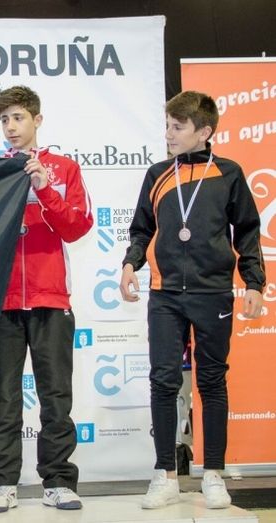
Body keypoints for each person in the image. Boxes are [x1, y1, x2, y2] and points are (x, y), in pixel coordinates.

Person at [119, 91, 265, 510]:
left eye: (178, 127)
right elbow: (141, 228)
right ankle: (165, 475)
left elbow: (247, 231)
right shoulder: (157, 174)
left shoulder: (228, 173)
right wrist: (130, 263)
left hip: (212, 291)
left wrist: (253, 283)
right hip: (165, 293)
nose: (169, 134)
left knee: (212, 381)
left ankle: (214, 473)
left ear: (204, 131)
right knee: (163, 380)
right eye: (167, 125)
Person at [0, 85, 92, 513]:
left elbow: (77, 227)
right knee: (4, 399)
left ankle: (59, 482)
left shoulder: (64, 168)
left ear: (37, 120)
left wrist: (45, 189)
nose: (11, 127)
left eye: (18, 117)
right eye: (4, 119)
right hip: (2, 302)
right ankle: (1, 484)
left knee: (55, 397)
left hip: (51, 299)